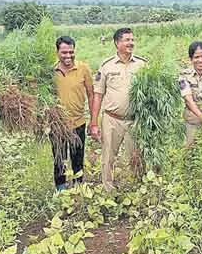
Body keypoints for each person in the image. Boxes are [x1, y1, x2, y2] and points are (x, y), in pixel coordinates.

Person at [89, 28, 148, 191]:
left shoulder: (142, 64)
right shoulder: (106, 66)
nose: (131, 43)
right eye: (127, 40)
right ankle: (108, 188)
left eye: (132, 40)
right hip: (112, 119)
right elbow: (98, 95)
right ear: (117, 43)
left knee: (136, 155)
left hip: (135, 120)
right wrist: (94, 122)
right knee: (108, 156)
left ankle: (138, 187)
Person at [52, 36, 94, 191]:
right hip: (57, 125)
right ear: (57, 52)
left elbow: (91, 94)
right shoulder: (51, 71)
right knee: (59, 159)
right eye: (64, 52)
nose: (68, 56)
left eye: (71, 52)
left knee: (77, 158)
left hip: (78, 122)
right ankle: (61, 189)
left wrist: (93, 120)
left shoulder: (83, 68)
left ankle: (78, 188)